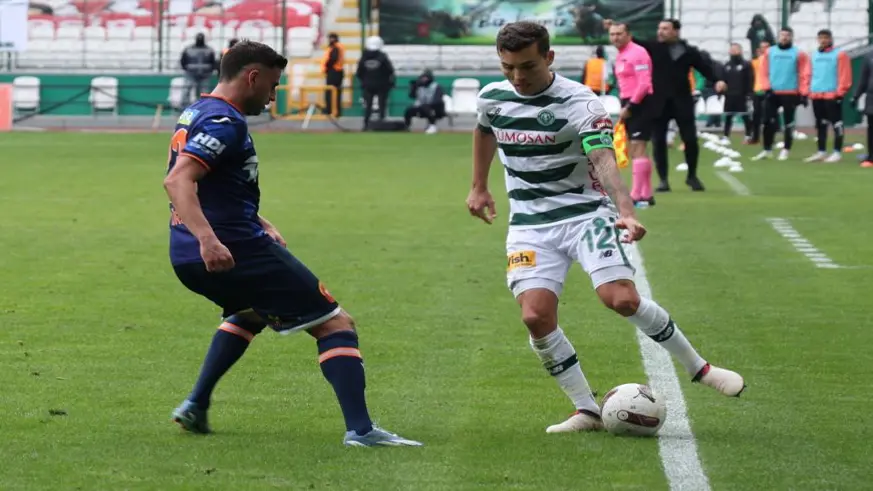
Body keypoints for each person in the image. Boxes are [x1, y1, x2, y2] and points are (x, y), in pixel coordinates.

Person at [465, 21, 745, 434]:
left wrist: (626, 210)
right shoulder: (493, 97)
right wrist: (479, 186)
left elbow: (602, 159)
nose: (518, 77)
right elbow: (484, 131)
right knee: (535, 316)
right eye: (508, 68)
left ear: (549, 57)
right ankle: (587, 410)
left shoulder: (581, 103)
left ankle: (700, 368)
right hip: (529, 223)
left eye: (527, 67)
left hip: (585, 214)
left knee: (621, 299)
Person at [163, 41, 421, 447]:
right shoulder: (225, 122)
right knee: (336, 323)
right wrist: (209, 239)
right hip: (232, 250)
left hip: (185, 253)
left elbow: (212, 186)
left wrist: (256, 219)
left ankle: (196, 404)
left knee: (251, 313)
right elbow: (178, 180)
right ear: (252, 77)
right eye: (272, 85)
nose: (272, 96)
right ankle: (361, 430)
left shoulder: (196, 111)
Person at [640, 19, 726, 192]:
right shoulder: (653, 48)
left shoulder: (688, 51)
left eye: (665, 28)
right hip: (659, 102)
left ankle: (692, 176)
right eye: (659, 28)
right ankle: (663, 180)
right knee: (659, 142)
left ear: (676, 31)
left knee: (690, 140)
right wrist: (615, 28)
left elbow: (704, 67)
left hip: (682, 101)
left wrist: (717, 80)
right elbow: (633, 42)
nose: (660, 31)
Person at [609, 22, 654, 207]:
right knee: (638, 148)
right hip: (629, 101)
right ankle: (646, 193)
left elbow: (644, 83)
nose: (615, 37)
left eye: (619, 33)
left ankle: (635, 193)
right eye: (612, 34)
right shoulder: (621, 54)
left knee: (638, 147)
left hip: (640, 102)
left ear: (628, 35)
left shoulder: (638, 53)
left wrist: (631, 105)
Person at [752, 27, 810, 161]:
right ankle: (767, 150)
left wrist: (804, 92)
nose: (784, 37)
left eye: (787, 35)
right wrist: (766, 87)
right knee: (768, 121)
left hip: (790, 92)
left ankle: (786, 149)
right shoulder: (770, 52)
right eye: (782, 35)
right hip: (773, 92)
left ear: (791, 37)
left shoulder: (799, 53)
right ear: (778, 37)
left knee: (788, 122)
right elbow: (763, 71)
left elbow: (805, 74)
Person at [805, 29, 851, 163]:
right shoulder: (814, 55)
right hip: (816, 95)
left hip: (832, 95)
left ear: (831, 39)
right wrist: (809, 90)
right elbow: (809, 74)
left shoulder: (840, 55)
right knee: (820, 124)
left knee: (837, 124)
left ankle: (837, 152)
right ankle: (821, 151)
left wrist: (840, 93)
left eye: (826, 38)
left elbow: (845, 75)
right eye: (821, 38)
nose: (823, 40)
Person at [355, 35, 396, 131]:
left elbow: (359, 72)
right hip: (382, 85)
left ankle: (366, 125)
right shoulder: (383, 56)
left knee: (368, 106)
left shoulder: (364, 57)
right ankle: (381, 124)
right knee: (382, 105)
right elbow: (390, 70)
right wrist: (389, 82)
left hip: (367, 85)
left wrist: (364, 81)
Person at [721, 43, 755, 145]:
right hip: (729, 95)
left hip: (742, 95)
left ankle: (748, 135)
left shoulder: (746, 64)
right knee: (728, 116)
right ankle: (726, 136)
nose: (733, 51)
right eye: (732, 49)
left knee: (745, 116)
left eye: (735, 49)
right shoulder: (727, 65)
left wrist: (749, 93)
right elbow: (723, 80)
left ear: (740, 51)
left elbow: (750, 79)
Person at [180, 32, 217, 107]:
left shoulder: (209, 50)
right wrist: (187, 68)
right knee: (187, 90)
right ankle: (183, 107)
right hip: (191, 74)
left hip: (205, 75)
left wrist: (209, 70)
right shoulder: (188, 49)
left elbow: (213, 62)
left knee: (204, 92)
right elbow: (183, 61)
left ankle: (203, 107)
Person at [404, 69, 445, 134]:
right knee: (409, 110)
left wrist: (428, 105)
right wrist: (413, 88)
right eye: (422, 78)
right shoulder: (420, 87)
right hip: (423, 107)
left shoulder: (436, 86)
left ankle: (432, 126)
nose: (423, 80)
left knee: (426, 107)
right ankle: (407, 126)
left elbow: (437, 100)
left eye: (425, 78)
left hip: (436, 108)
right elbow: (412, 96)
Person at [852, 51, 873, 168]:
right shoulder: (869, 56)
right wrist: (856, 96)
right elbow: (863, 80)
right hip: (871, 98)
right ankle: (871, 156)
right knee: (871, 129)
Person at [749, 41, 771, 144]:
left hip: (769, 90)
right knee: (756, 116)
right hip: (757, 90)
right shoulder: (755, 62)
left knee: (769, 116)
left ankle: (770, 139)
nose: (764, 49)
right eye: (762, 47)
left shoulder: (773, 61)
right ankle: (755, 138)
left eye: (766, 47)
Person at [322, 33, 345, 117]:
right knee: (336, 92)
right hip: (338, 71)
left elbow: (333, 59)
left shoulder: (335, 47)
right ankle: (336, 111)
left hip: (334, 71)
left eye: (331, 38)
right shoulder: (338, 46)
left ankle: (329, 110)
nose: (330, 40)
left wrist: (327, 67)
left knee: (330, 91)